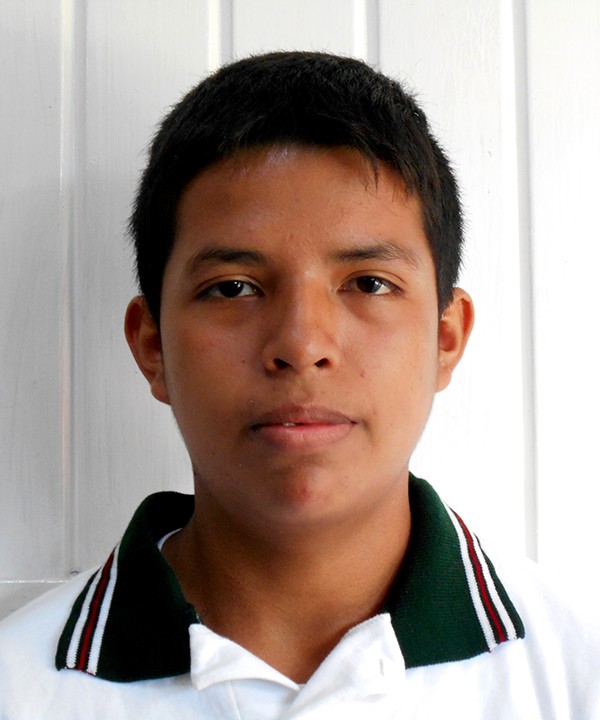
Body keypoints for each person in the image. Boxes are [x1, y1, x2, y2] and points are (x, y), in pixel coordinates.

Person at [0, 51, 598, 719]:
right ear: (152, 346)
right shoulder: (17, 688)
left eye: (369, 283)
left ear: (445, 338)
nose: (302, 345)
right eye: (233, 288)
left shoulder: (577, 673)